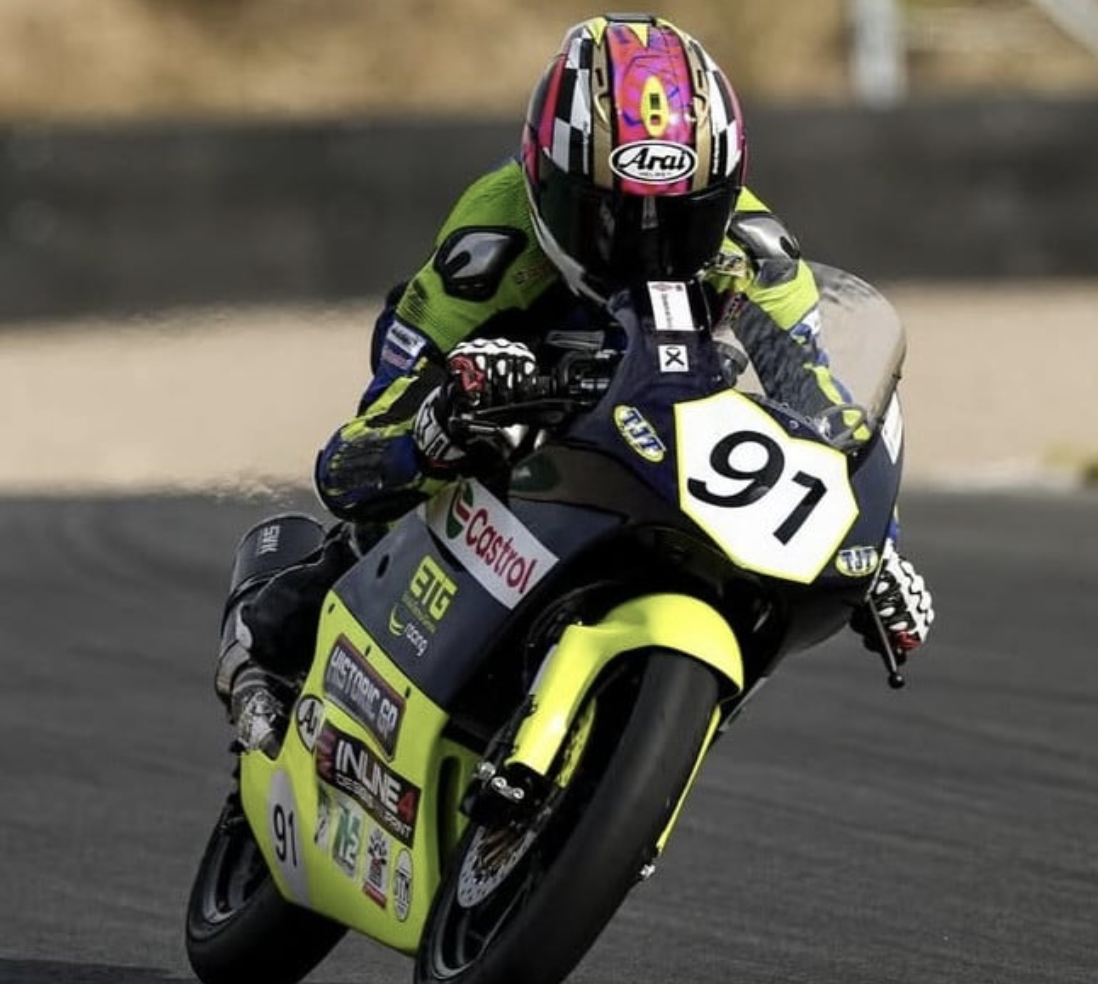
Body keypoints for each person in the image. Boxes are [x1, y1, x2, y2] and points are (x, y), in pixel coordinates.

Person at [216, 13, 935, 750]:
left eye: (680, 222)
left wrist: (875, 543)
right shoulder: (490, 245)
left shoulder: (758, 257)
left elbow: (826, 409)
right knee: (391, 507)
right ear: (544, 180)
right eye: (607, 218)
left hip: (666, 425)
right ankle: (264, 638)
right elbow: (356, 448)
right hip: (519, 392)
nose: (645, 245)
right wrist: (439, 421)